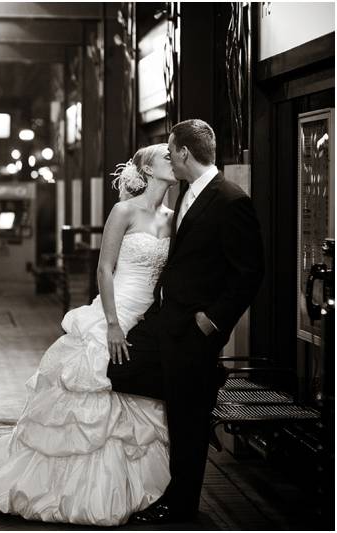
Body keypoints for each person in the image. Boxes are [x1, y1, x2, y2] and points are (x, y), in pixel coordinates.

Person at [0, 143, 177, 526]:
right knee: (90, 396)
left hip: (149, 320)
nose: (174, 161)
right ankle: (71, 491)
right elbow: (104, 269)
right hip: (116, 313)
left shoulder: (174, 217)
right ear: (146, 168)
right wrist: (111, 323)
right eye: (167, 157)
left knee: (133, 403)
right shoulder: (123, 211)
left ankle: (131, 488)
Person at [107, 119, 265, 523]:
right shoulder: (188, 197)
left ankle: (180, 510)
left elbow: (249, 273)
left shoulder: (230, 199)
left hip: (195, 332)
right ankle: (198, 411)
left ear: (182, 153)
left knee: (187, 421)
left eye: (170, 150)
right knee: (126, 376)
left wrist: (212, 321)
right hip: (165, 323)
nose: (169, 157)